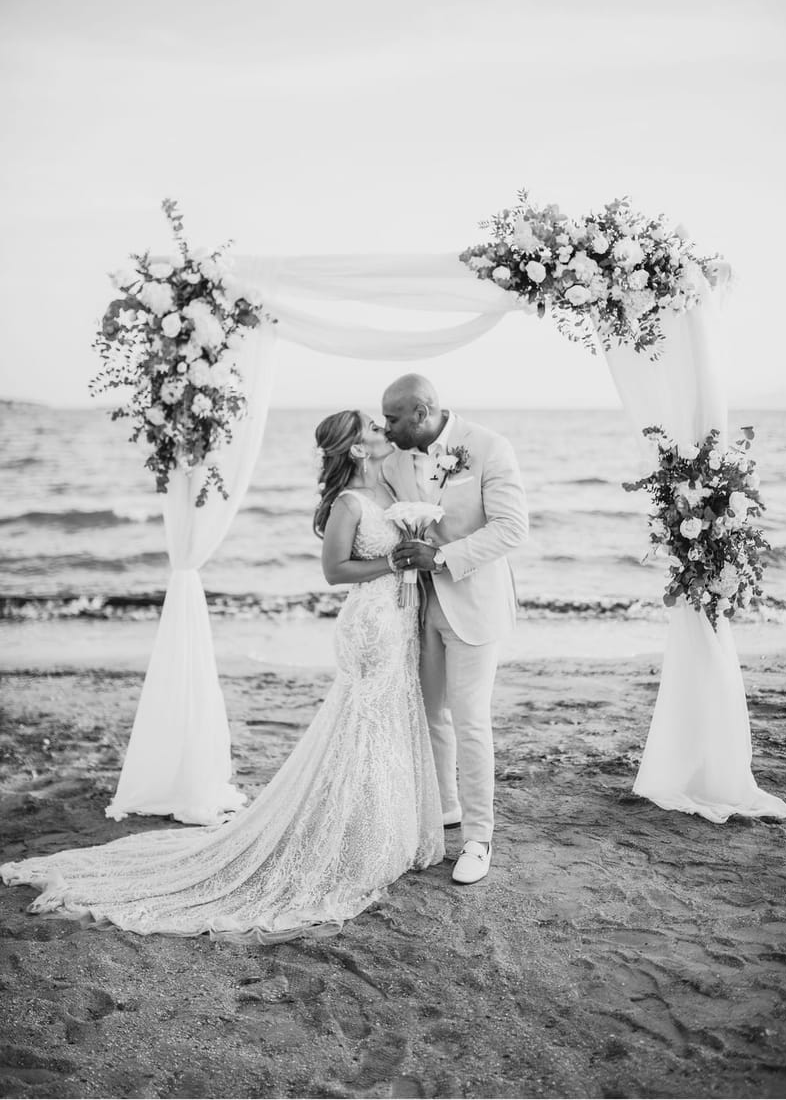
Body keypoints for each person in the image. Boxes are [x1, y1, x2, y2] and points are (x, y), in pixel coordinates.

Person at [0, 411, 444, 941]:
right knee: (364, 725)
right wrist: (391, 565)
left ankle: (378, 831)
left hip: (397, 622)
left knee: (385, 724)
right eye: (373, 427)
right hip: (369, 624)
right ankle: (358, 841)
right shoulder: (349, 503)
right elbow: (333, 572)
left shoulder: (390, 485)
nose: (382, 429)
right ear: (356, 449)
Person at [381, 375, 529, 885]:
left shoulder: (488, 447)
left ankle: (478, 839)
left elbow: (512, 527)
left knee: (470, 720)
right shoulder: (393, 462)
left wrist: (442, 556)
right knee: (430, 716)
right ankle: (444, 810)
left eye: (393, 419)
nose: (386, 429)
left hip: (476, 604)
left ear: (422, 413)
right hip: (419, 608)